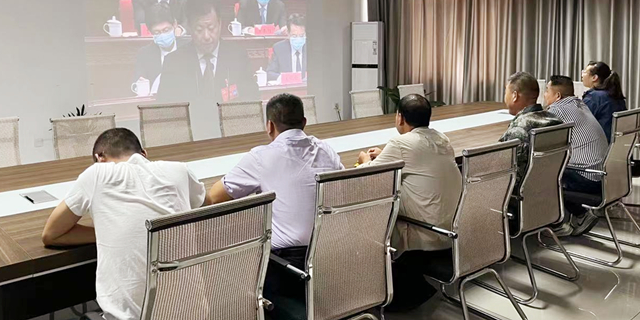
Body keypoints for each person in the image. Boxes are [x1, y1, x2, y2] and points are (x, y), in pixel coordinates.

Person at [41, 128, 206, 320]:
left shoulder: (97, 174)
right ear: (144, 154)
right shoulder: (180, 170)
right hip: (197, 315)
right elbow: (204, 204)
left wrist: (108, 231)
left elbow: (51, 234)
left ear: (99, 158)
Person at [207, 93, 343, 320]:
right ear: (304, 122)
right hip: (332, 258)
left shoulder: (261, 157)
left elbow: (213, 198)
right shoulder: (327, 150)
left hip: (287, 270)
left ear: (269, 126)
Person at [356, 94, 462, 312]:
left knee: (370, 208)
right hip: (454, 230)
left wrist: (365, 160)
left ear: (400, 117)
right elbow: (418, 159)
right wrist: (386, 155)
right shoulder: (442, 138)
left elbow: (367, 177)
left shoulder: (400, 143)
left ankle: (368, 285)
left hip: (425, 234)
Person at [157, 0, 258, 137]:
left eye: (211, 28)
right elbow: (164, 112)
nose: (206, 36)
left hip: (231, 138)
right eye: (199, 29)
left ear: (220, 24)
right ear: (190, 27)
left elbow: (252, 102)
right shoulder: (174, 62)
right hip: (190, 140)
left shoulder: (237, 57)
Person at [544, 75, 609, 236]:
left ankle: (562, 222)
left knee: (541, 172)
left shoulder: (557, 110)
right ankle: (577, 215)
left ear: (557, 95)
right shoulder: (581, 105)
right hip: (605, 176)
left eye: (546, 91)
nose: (544, 95)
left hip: (588, 178)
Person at [499, 72, 563, 184]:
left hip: (518, 190)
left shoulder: (519, 129)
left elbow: (503, 169)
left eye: (506, 92)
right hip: (549, 186)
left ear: (514, 96)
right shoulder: (555, 120)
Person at [133, 3, 181, 95]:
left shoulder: (189, 47)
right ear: (150, 31)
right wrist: (140, 85)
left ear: (175, 24)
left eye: (166, 30)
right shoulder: (144, 54)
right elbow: (135, 84)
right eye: (157, 32)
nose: (162, 35)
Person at [582, 61, 627, 143]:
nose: (582, 75)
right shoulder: (615, 95)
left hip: (598, 145)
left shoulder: (593, 98)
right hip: (615, 145)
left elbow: (580, 123)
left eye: (585, 72)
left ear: (594, 77)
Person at [266, 14, 307, 82]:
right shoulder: (279, 48)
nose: (298, 39)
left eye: (301, 36)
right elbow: (270, 73)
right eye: (294, 36)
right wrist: (284, 78)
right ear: (288, 34)